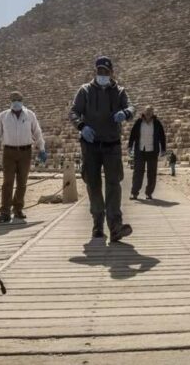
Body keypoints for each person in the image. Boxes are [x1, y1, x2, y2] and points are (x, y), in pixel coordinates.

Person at [69, 56, 135, 241]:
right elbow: (73, 112)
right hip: (90, 146)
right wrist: (81, 126)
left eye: (106, 71)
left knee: (114, 184)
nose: (102, 74)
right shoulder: (85, 91)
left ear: (112, 72)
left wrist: (126, 113)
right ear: (95, 71)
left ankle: (115, 227)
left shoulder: (120, 92)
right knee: (93, 184)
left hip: (112, 144)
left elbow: (131, 107)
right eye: (99, 71)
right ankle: (97, 224)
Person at [0, 91, 47, 223]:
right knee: (7, 182)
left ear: (22, 100)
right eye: (13, 99)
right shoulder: (3, 116)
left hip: (26, 151)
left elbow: (37, 132)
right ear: (10, 101)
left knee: (22, 182)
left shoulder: (30, 115)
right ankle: (5, 212)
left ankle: (18, 209)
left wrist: (42, 148)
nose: (16, 102)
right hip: (9, 152)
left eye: (18, 99)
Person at [127, 105, 166, 200]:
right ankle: (134, 193)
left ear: (153, 113)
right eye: (147, 111)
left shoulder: (157, 123)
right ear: (144, 112)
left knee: (152, 173)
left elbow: (162, 136)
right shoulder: (138, 122)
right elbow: (133, 134)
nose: (148, 112)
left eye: (150, 111)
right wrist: (130, 146)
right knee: (138, 172)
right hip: (140, 150)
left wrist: (163, 149)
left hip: (152, 151)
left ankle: (149, 193)